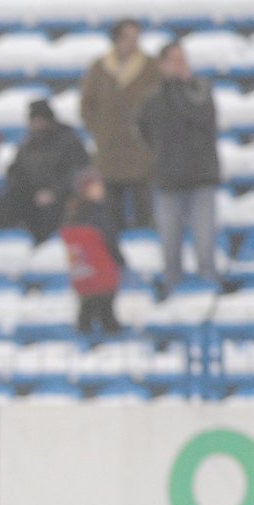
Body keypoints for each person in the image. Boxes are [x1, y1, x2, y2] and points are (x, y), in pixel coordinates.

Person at [138, 41, 221, 296]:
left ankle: (209, 286)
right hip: (168, 179)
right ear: (162, 65)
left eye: (183, 59)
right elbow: (144, 130)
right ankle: (173, 289)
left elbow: (203, 117)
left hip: (201, 177)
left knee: (204, 240)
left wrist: (180, 87)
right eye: (174, 60)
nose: (180, 64)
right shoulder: (152, 99)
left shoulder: (200, 90)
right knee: (169, 244)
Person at [79, 17, 160, 235]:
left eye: (135, 37)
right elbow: (87, 105)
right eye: (127, 37)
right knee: (111, 211)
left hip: (141, 150)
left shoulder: (150, 67)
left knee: (144, 208)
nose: (132, 42)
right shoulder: (100, 67)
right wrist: (100, 130)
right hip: (109, 150)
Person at [0, 99, 89, 244]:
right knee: (5, 203)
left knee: (52, 210)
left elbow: (77, 172)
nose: (38, 125)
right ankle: (9, 244)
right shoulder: (28, 143)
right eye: (35, 121)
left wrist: (54, 192)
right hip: (34, 194)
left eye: (41, 121)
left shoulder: (69, 142)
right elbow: (16, 170)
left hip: (61, 195)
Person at [59, 167, 125, 335]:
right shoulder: (99, 214)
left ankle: (84, 335)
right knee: (106, 311)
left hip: (82, 272)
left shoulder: (71, 214)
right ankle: (111, 336)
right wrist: (121, 261)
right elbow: (110, 241)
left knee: (86, 309)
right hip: (102, 272)